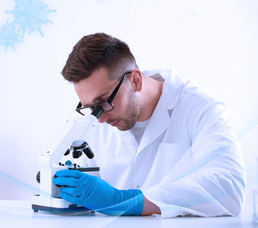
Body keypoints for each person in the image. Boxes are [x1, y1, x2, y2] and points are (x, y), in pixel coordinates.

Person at [52, 32, 246, 218]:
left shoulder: (202, 108)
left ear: (135, 80)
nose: (100, 119)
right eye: (90, 107)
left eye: (103, 101)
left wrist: (127, 201)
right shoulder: (97, 122)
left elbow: (230, 189)